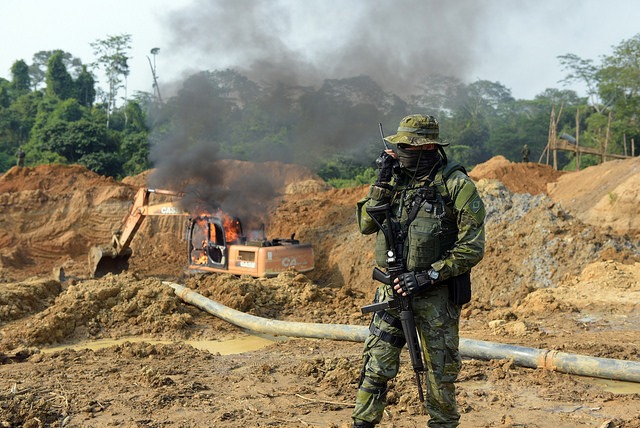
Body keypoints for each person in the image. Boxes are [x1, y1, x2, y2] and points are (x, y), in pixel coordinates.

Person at [353, 114, 486, 427]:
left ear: (428, 147)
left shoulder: (456, 185)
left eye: (406, 147)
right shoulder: (395, 182)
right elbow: (365, 224)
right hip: (392, 292)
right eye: (398, 147)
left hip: (435, 298)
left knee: (440, 376)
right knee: (375, 367)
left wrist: (430, 274)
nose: (401, 152)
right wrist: (382, 180)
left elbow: (472, 247)